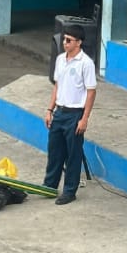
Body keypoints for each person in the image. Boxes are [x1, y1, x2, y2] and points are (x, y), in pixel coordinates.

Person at [43, 23, 97, 205]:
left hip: (75, 114)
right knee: (54, 151)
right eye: (64, 39)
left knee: (73, 155)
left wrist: (84, 118)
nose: (65, 43)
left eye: (69, 40)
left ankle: (69, 191)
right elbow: (57, 86)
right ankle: (49, 185)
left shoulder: (86, 63)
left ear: (79, 42)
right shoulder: (60, 60)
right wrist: (50, 109)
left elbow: (91, 92)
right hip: (60, 111)